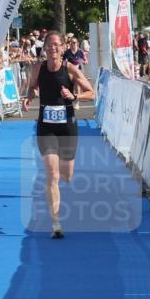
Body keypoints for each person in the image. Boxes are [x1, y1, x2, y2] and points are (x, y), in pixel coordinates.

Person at [22, 31, 95, 239]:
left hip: (67, 126)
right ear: (44, 48)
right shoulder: (38, 68)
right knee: (52, 174)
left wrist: (75, 96)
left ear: (63, 48)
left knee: (67, 175)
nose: (52, 48)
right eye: (49, 45)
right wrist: (29, 97)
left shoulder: (70, 69)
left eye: (56, 45)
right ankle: (56, 223)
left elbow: (92, 92)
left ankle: (59, 201)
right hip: (46, 126)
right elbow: (33, 88)